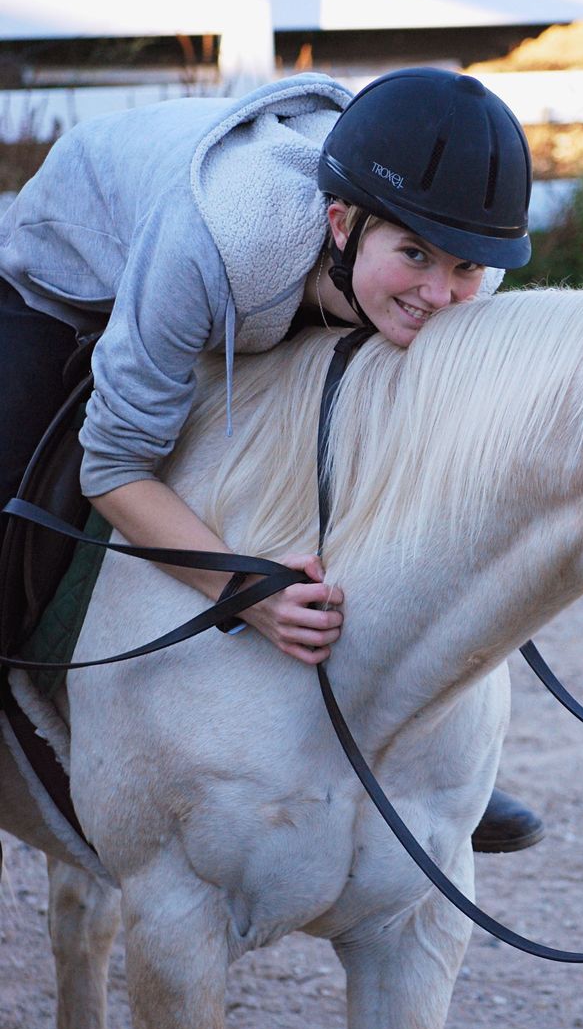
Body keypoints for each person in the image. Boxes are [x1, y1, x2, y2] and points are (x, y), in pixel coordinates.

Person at [0, 67, 543, 853]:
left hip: (270, 278)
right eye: (416, 255)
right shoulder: (220, 237)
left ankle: (410, 759)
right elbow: (112, 465)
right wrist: (245, 589)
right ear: (343, 221)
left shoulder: (446, 280)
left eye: (466, 265)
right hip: (76, 264)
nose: (443, 292)